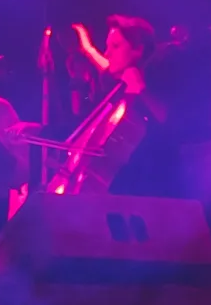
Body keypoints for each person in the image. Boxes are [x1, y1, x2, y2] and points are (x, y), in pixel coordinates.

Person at [66, 15, 180, 197]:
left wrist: (141, 91)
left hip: (148, 187)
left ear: (137, 51)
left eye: (116, 46)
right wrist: (87, 48)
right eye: (107, 47)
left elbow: (169, 123)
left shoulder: (157, 82)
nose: (107, 54)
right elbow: (104, 64)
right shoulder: (119, 82)